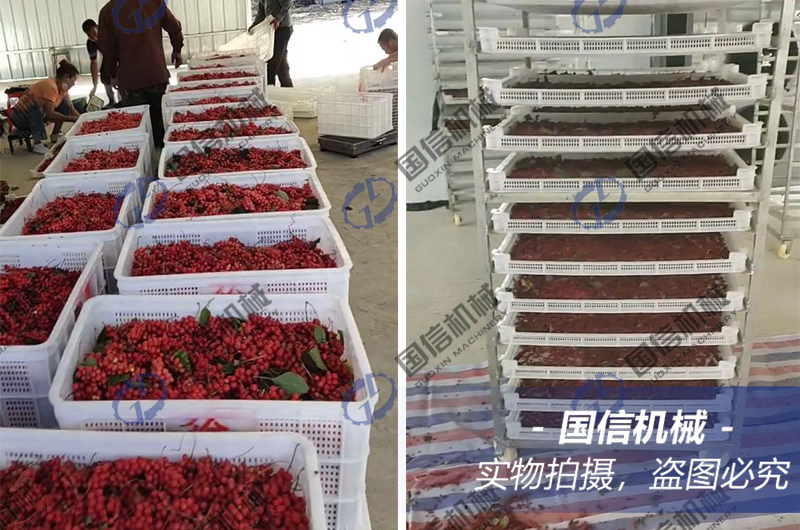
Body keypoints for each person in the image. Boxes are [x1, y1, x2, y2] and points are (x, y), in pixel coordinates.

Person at [98, 0, 184, 147]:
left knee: (138, 130)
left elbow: (107, 48)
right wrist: (177, 49)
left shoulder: (108, 10)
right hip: (157, 75)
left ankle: (146, 159)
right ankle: (165, 157)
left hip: (131, 82)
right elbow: (174, 27)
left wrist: (112, 74)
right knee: (162, 125)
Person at [9, 60, 79, 154]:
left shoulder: (63, 89)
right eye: (74, 80)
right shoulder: (50, 86)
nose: (74, 84)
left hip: (37, 115)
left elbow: (71, 108)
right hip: (20, 118)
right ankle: (37, 144)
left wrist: (81, 119)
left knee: (64, 103)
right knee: (35, 106)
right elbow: (50, 114)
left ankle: (55, 135)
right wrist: (71, 119)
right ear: (66, 77)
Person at [249, 0, 293, 87]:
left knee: (274, 59)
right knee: (280, 59)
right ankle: (287, 85)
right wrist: (254, 26)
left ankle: (270, 85)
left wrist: (278, 19)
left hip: (283, 28)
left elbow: (287, 3)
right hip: (272, 29)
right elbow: (261, 13)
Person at [81, 19, 116, 108]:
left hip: (120, 54)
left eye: (94, 33)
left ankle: (123, 99)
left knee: (120, 76)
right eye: (90, 35)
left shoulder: (108, 32)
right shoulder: (91, 43)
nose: (94, 37)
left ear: (98, 27)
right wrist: (95, 85)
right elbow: (93, 63)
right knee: (104, 76)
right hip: (107, 57)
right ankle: (112, 100)